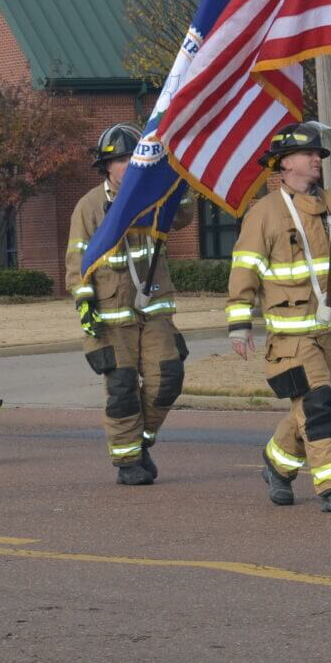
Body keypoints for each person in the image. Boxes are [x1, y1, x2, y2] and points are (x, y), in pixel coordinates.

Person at [228, 122, 331, 513]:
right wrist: (239, 323)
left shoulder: (330, 205)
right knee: (318, 406)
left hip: (328, 331)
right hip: (290, 337)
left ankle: (276, 464)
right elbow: (244, 268)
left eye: (320, 154)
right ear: (285, 164)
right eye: (309, 154)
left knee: (330, 402)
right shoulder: (264, 213)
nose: (317, 159)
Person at [66, 124, 193, 486]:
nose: (127, 165)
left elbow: (183, 216)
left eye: (132, 158)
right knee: (122, 390)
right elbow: (76, 261)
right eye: (120, 160)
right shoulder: (89, 207)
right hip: (111, 319)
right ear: (106, 166)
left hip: (154, 312)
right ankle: (127, 463)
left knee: (167, 379)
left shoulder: (154, 197)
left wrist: (178, 177)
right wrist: (84, 304)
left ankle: (139, 444)